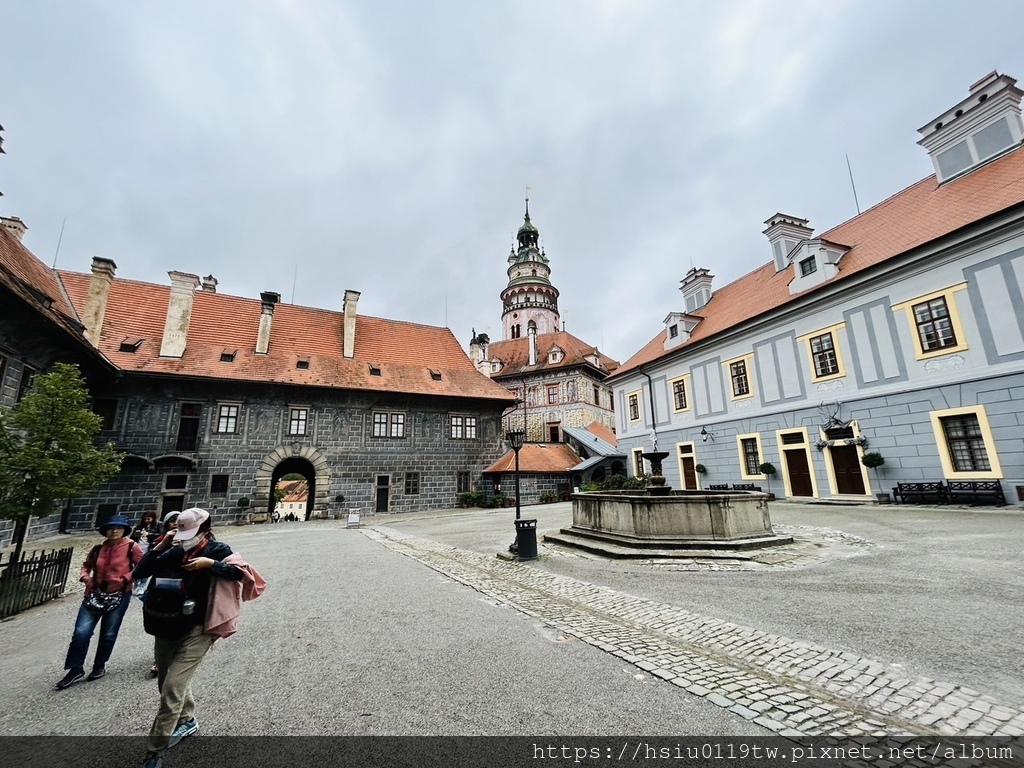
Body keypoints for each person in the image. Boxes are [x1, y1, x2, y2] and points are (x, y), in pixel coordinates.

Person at [132, 508, 244, 768]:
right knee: (168, 681)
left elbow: (240, 572)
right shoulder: (175, 550)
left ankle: (154, 753)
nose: (185, 538)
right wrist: (160, 547)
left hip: (199, 627)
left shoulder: (217, 550)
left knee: (172, 687)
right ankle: (187, 720)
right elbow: (140, 572)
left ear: (205, 531)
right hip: (167, 623)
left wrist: (211, 565)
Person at [55, 514, 144, 690]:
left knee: (109, 633)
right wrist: (85, 578)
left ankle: (99, 664)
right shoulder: (98, 549)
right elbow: (86, 565)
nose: (114, 531)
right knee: (81, 632)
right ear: (105, 531)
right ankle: (75, 668)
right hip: (94, 594)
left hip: (119, 594)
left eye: (118, 528)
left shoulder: (132, 547)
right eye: (110, 528)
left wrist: (126, 579)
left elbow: (142, 566)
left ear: (125, 530)